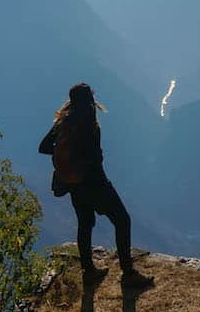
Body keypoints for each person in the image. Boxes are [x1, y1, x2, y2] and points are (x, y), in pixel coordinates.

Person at [39, 83, 154, 288]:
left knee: (85, 223)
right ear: (90, 100)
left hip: (74, 184)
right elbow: (94, 157)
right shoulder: (89, 123)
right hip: (95, 182)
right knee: (122, 220)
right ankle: (128, 273)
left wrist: (66, 156)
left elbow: (44, 147)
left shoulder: (63, 122)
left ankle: (89, 271)